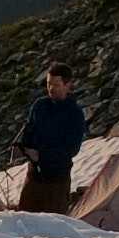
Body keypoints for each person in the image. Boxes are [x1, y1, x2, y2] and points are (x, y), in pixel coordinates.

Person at [16, 62, 87, 214]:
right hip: (34, 176)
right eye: (48, 84)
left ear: (67, 85)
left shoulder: (74, 113)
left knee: (54, 228)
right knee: (24, 222)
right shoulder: (39, 106)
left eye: (56, 84)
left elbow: (72, 149)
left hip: (57, 179)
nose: (51, 88)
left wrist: (41, 155)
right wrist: (24, 149)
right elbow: (28, 132)